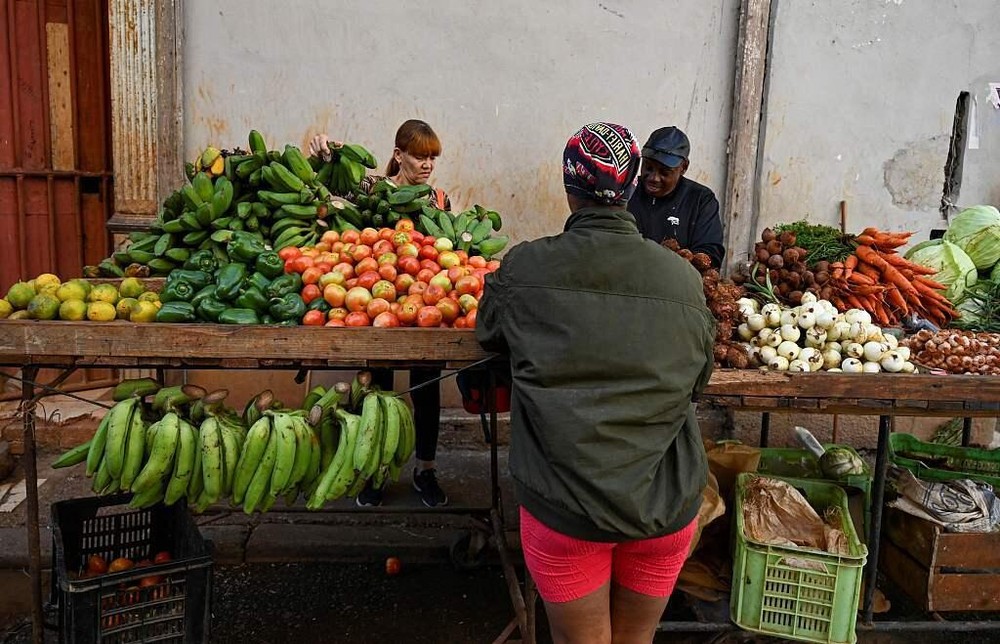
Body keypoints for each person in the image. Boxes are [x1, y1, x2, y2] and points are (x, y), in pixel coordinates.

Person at [475, 122, 715, 644]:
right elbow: (699, 380)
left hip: (566, 509)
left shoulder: (525, 266)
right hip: (663, 504)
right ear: (631, 187)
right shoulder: (683, 279)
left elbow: (489, 333)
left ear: (569, 186)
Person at [308, 119, 449, 508]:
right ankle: (375, 471)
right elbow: (331, 188)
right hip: (373, 301)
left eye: (432, 157)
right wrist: (325, 153)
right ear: (398, 155)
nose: (427, 165)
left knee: (426, 385)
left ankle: (425, 469)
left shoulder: (439, 200)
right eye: (419, 156)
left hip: (422, 305)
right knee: (376, 387)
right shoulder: (372, 189)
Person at [627, 125, 725, 268]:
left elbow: (710, 254)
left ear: (683, 167)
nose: (654, 178)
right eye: (648, 167)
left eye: (664, 172)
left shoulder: (701, 199)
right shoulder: (627, 191)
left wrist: (677, 265)